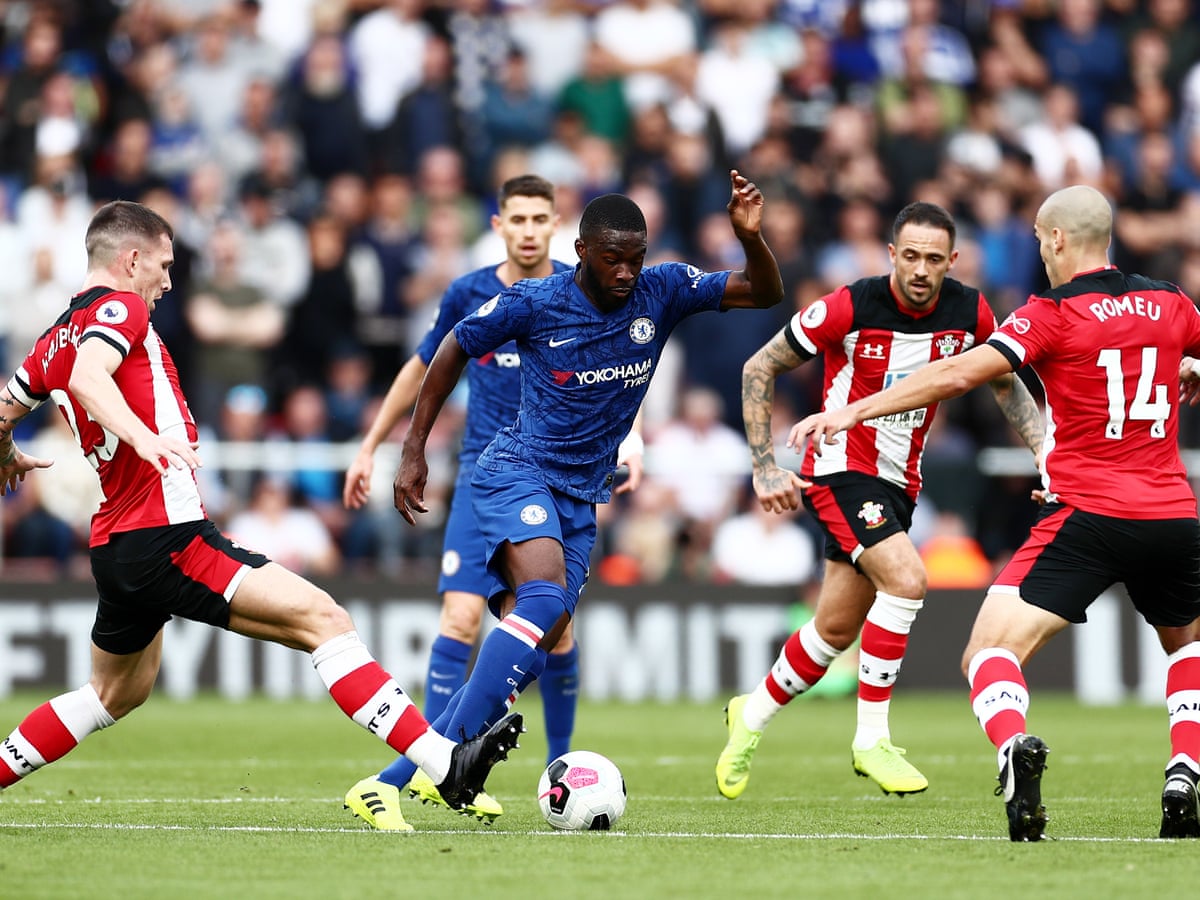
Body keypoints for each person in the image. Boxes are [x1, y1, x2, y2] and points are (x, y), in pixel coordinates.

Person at [0, 201, 523, 833]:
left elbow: (6, 408)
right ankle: (444, 764)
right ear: (130, 259)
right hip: (166, 535)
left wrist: (6, 452)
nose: (168, 282)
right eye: (163, 266)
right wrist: (141, 436)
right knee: (324, 619)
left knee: (113, 694)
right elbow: (90, 376)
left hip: (117, 544)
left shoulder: (52, 335)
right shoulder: (122, 307)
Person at [367, 169, 782, 829]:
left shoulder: (663, 289)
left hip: (581, 495)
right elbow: (450, 349)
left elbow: (764, 291)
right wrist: (413, 448)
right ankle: (446, 759)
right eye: (613, 259)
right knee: (527, 604)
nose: (625, 273)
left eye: (635, 258)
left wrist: (752, 239)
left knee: (548, 635)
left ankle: (396, 777)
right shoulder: (535, 301)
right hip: (515, 469)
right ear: (583, 250)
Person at [790, 184, 1200, 842]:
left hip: (1089, 517)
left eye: (1041, 239)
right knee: (1189, 645)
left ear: (1059, 240)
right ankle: (1186, 766)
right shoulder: (1174, 303)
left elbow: (959, 374)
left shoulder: (1052, 311)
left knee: (987, 652)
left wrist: (855, 409)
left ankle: (1013, 748)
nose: (1039, 251)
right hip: (1175, 515)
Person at [342, 174, 645, 826]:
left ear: (559, 225)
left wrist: (634, 440)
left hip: (559, 479)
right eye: (519, 218)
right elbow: (425, 370)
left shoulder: (585, 288)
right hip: (492, 477)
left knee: (552, 636)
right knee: (460, 619)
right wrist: (374, 444)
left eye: (542, 218)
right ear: (499, 224)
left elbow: (619, 374)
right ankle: (419, 771)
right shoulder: (471, 292)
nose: (531, 230)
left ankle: (534, 767)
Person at [715, 201, 1044, 800]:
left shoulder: (969, 310)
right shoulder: (851, 304)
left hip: (900, 481)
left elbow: (1005, 384)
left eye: (934, 259)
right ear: (892, 254)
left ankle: (751, 713)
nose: (920, 270)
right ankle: (872, 738)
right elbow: (758, 367)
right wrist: (764, 468)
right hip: (841, 466)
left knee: (834, 629)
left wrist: (1047, 453)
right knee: (908, 579)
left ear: (953, 261)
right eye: (910, 256)